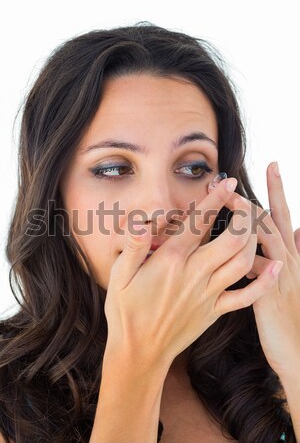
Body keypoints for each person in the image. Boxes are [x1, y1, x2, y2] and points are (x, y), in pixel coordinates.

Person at [0, 22, 299, 443]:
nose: (161, 207)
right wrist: (139, 360)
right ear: (54, 192)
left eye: (194, 167)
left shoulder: (273, 348)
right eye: (113, 168)